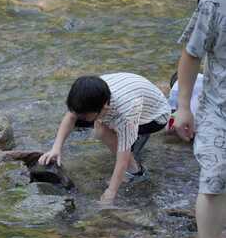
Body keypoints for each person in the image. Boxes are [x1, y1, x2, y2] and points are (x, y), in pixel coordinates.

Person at [38, 73, 171, 203]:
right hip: (134, 100)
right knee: (94, 124)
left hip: (156, 117)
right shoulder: (91, 92)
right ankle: (133, 138)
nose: (79, 117)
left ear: (104, 108)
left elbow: (122, 158)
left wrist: (111, 191)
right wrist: (56, 148)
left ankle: (136, 172)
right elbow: (71, 116)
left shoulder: (126, 113)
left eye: (84, 115)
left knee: (101, 130)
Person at [176, 0, 226, 238]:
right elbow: (191, 53)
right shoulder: (217, 0)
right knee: (214, 176)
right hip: (219, 110)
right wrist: (183, 106)